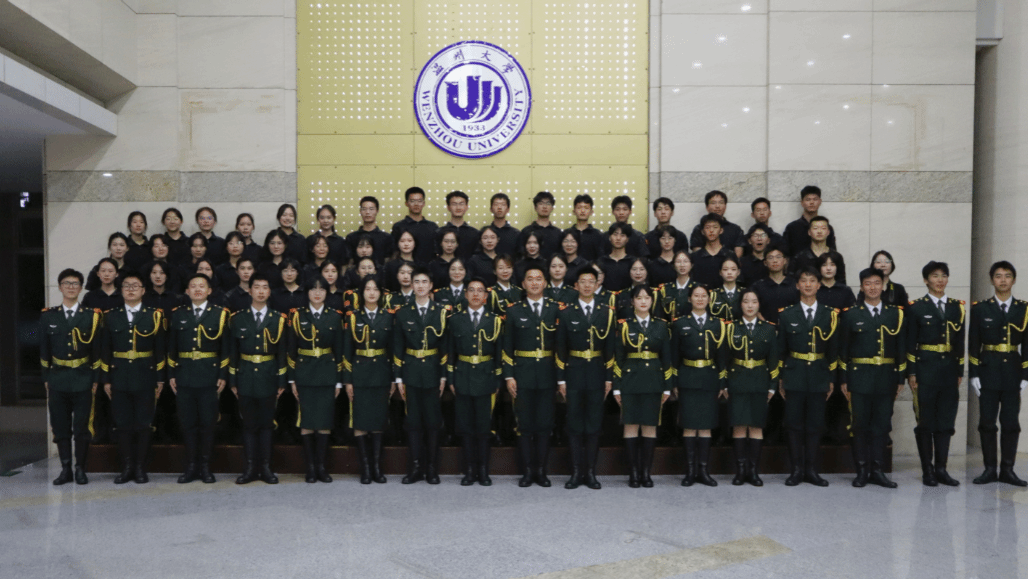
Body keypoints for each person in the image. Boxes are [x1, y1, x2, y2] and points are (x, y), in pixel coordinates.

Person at [839, 268, 906, 489]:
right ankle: (861, 471)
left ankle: (878, 470)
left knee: (881, 425)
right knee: (859, 425)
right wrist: (844, 379)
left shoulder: (895, 314)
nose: (873, 287)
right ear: (861, 287)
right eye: (868, 283)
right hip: (859, 378)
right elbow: (843, 350)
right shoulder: (851, 314)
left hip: (886, 377)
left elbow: (901, 348)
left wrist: (900, 378)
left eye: (877, 283)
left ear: (883, 286)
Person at [100, 271, 165, 485]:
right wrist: (106, 379)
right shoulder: (110, 316)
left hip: (145, 375)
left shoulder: (154, 315)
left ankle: (140, 467)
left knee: (144, 424)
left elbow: (160, 349)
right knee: (123, 424)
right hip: (119, 376)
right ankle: (126, 467)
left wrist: (160, 378)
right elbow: (105, 349)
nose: (130, 289)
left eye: (135, 286)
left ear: (143, 290)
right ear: (121, 290)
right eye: (126, 286)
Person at [776, 268, 838, 487]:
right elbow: (781, 350)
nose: (808, 285)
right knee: (793, 425)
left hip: (819, 374)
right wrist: (781, 378)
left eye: (813, 281)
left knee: (815, 425)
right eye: (804, 281)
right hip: (794, 374)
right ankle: (796, 470)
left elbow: (833, 350)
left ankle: (811, 470)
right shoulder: (787, 314)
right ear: (797, 285)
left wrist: (831, 378)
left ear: (819, 285)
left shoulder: (830, 314)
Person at [906, 261, 965, 487]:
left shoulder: (957, 307)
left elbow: (960, 342)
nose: (940, 280)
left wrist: (959, 370)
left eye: (943, 275)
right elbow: (910, 343)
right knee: (925, 422)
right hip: (925, 370)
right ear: (925, 280)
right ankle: (927, 470)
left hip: (949, 371)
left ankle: (941, 469)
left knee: (946, 421)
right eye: (934, 276)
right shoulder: (916, 307)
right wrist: (912, 372)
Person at [167, 274, 230, 484]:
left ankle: (205, 467)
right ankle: (191, 466)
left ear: (209, 290)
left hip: (209, 376)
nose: (197, 289)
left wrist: (222, 374)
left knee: (207, 423)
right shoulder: (178, 314)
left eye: (201, 286)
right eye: (193, 286)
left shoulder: (220, 314)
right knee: (188, 423)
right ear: (187, 291)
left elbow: (225, 348)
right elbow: (171, 347)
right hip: (184, 375)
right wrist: (171, 374)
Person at [969, 261, 1028, 486]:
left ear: (1014, 279)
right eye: (998, 276)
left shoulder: (1023, 309)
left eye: (1007, 275)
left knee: (1011, 423)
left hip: (1013, 371)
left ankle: (1008, 470)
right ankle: (989, 469)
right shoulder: (981, 308)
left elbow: (1027, 345)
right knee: (987, 423)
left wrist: (1026, 374)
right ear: (992, 280)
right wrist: (974, 373)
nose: (1003, 280)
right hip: (988, 371)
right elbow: (974, 343)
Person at [556, 267, 615, 490]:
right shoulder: (566, 312)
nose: (588, 285)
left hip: (597, 372)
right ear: (576, 286)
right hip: (574, 371)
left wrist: (608, 378)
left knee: (593, 424)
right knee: (573, 423)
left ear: (597, 285)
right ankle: (575, 472)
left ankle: (590, 473)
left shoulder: (606, 312)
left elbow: (610, 348)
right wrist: (561, 379)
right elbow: (560, 348)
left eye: (591, 281)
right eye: (583, 281)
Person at [41, 269, 101, 486]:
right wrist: (46, 377)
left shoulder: (91, 316)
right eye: (67, 283)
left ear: (81, 288)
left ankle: (80, 469)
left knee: (82, 428)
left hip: (83, 378)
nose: (71, 287)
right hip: (58, 378)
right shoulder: (48, 316)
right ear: (60, 287)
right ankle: (65, 468)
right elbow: (44, 349)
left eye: (75, 283)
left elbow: (97, 350)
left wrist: (95, 378)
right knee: (60, 427)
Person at [226, 274, 287, 485]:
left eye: (265, 287)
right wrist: (233, 380)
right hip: (245, 376)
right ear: (249, 290)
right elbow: (233, 351)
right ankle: (250, 468)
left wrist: (281, 381)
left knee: (267, 424)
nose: (261, 291)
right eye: (257, 287)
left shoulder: (278, 319)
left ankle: (266, 468)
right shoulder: (237, 318)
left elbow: (282, 352)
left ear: (269, 292)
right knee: (249, 424)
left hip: (269, 376)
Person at [503, 266, 560, 487]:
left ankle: (542, 471)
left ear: (545, 283)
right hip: (522, 374)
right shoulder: (514, 311)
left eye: (538, 279)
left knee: (545, 424)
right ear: (523, 284)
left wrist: (560, 377)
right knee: (524, 425)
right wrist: (509, 376)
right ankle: (527, 471)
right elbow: (507, 347)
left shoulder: (555, 309)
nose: (534, 283)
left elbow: (560, 346)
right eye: (530, 279)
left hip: (547, 374)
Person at [612, 285, 672, 488]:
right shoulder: (624, 325)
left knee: (649, 425)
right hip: (630, 380)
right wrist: (617, 387)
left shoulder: (661, 326)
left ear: (652, 301)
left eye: (647, 298)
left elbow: (666, 358)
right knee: (630, 425)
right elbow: (619, 358)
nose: (643, 301)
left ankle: (646, 473)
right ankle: (633, 473)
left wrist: (667, 386)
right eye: (639, 298)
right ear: (632, 302)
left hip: (654, 380)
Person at [393, 267, 449, 484]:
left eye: (424, 282)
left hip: (433, 372)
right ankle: (415, 467)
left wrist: (443, 376)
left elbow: (445, 347)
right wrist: (398, 377)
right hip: (411, 372)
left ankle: (432, 468)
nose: (420, 286)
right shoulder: (403, 312)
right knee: (413, 422)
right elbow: (398, 347)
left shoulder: (441, 312)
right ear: (412, 285)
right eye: (416, 281)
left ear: (431, 285)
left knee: (433, 422)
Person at [446, 278, 503, 486]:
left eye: (480, 291)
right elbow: (450, 352)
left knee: (483, 427)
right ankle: (469, 471)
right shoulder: (455, 319)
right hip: (463, 376)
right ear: (466, 295)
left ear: (486, 296)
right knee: (466, 427)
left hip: (486, 377)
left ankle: (484, 471)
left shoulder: (495, 320)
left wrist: (498, 379)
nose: (476, 294)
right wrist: (451, 377)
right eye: (472, 290)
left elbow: (499, 353)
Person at [288, 276, 344, 483]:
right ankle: (310, 468)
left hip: (327, 373)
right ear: (307, 293)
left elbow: (339, 351)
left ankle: (321, 467)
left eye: (321, 289)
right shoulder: (297, 316)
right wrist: (292, 380)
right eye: (313, 289)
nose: (317, 293)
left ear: (327, 293)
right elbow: (291, 350)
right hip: (304, 373)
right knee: (306, 421)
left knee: (324, 421)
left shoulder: (334, 317)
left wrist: (338, 381)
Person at [341, 276, 395, 484]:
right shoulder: (353, 317)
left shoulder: (388, 316)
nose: (371, 293)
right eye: (367, 289)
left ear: (381, 293)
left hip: (381, 372)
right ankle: (365, 469)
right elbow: (347, 351)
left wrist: (393, 378)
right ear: (361, 293)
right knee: (360, 420)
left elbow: (393, 349)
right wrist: (347, 380)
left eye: (375, 289)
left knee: (379, 419)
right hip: (360, 373)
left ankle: (377, 468)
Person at [672, 285, 726, 487]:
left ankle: (703, 471)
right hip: (687, 377)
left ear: (709, 299)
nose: (700, 299)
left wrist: (722, 382)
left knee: (705, 426)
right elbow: (674, 356)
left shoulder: (718, 324)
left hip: (709, 378)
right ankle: (690, 472)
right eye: (696, 295)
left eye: (704, 296)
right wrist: (674, 381)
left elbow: (722, 356)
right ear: (689, 299)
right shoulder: (680, 324)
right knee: (689, 425)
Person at [725, 289, 780, 487]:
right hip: (737, 380)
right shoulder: (730, 328)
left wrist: (772, 386)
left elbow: (773, 360)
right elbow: (724, 358)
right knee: (739, 426)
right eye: (746, 301)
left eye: (754, 301)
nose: (750, 305)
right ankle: (740, 471)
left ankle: (754, 471)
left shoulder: (768, 329)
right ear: (740, 304)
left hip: (760, 380)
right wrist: (724, 383)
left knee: (756, 426)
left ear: (759, 305)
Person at [749, 244, 799, 325]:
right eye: (770, 258)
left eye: (778, 257)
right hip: (765, 328)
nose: (775, 261)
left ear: (785, 261)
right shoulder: (757, 286)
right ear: (765, 262)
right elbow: (754, 310)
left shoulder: (795, 284)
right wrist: (767, 326)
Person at [783, 186, 837, 257]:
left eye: (815, 199)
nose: (812, 202)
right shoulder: (792, 228)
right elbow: (785, 254)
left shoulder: (827, 227)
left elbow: (833, 254)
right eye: (808, 199)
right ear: (802, 202)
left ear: (820, 202)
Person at [790, 216, 845, 283]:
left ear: (828, 232)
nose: (819, 231)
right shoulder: (799, 257)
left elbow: (842, 282)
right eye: (815, 228)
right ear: (809, 232)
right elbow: (793, 283)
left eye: (823, 228)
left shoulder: (837, 257)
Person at [391, 186, 439, 264]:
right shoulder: (398, 226)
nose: (416, 204)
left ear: (424, 203)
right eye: (412, 201)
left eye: (419, 201)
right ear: (406, 203)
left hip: (428, 269)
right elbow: (395, 252)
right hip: (406, 268)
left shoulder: (433, 227)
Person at [689, 191, 745, 257]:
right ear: (707, 207)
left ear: (725, 206)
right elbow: (697, 255)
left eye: (721, 203)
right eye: (713, 203)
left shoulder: (735, 229)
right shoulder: (699, 228)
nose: (717, 206)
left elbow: (738, 256)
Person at [689, 214, 735, 289]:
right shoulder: (695, 257)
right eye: (707, 227)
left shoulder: (730, 255)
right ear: (702, 231)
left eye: (715, 227)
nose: (711, 230)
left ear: (721, 230)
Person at [346, 196, 395, 264]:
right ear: (360, 211)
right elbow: (350, 263)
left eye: (371, 209)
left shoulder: (386, 238)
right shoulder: (351, 238)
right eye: (364, 209)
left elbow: (388, 263)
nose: (367, 212)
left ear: (377, 211)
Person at [517, 191, 562, 260]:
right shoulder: (526, 231)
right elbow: (521, 255)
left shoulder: (558, 233)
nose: (544, 207)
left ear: (552, 208)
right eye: (541, 203)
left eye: (548, 203)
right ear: (535, 207)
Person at [655, 250, 697, 322]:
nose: (682, 265)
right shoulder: (664, 289)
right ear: (673, 265)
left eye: (685, 261)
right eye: (678, 262)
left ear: (692, 265)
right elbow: (659, 315)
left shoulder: (698, 288)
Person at [439, 191, 480, 260]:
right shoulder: (439, 232)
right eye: (454, 204)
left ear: (466, 207)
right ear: (448, 207)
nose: (458, 207)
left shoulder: (475, 233)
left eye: (461, 204)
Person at [566, 194, 606, 261]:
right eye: (579, 207)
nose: (582, 211)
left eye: (586, 208)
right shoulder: (567, 233)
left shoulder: (597, 235)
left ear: (591, 212)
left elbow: (601, 258)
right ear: (574, 211)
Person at [596, 222, 634, 292]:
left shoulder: (633, 262)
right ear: (610, 237)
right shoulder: (601, 261)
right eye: (615, 234)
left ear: (627, 239)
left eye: (622, 235)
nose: (618, 238)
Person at [708, 255, 743, 322]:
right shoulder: (713, 294)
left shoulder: (744, 293)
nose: (729, 272)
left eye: (733, 269)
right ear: (720, 272)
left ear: (738, 272)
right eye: (725, 269)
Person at [488, 193, 520, 257]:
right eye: (496, 204)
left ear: (508, 209)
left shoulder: (516, 234)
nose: (499, 207)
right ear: (491, 209)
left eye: (503, 204)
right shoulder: (485, 234)